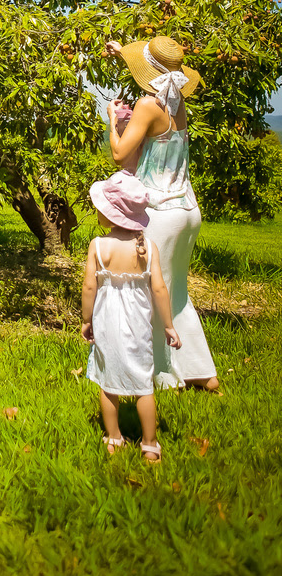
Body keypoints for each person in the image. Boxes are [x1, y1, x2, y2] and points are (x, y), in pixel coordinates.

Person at [104, 35, 219, 391]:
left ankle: (161, 375)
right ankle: (201, 371)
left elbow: (121, 155)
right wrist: (122, 51)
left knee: (150, 292)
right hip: (187, 209)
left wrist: (112, 120)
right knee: (176, 292)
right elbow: (155, 73)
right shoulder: (177, 99)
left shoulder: (147, 105)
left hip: (159, 213)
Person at [82, 179, 181, 462]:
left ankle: (114, 438)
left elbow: (89, 287)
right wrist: (168, 325)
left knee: (107, 381)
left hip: (107, 323)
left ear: (110, 213)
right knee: (143, 385)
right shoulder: (148, 247)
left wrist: (86, 320)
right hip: (139, 327)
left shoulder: (99, 246)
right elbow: (160, 289)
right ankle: (150, 444)